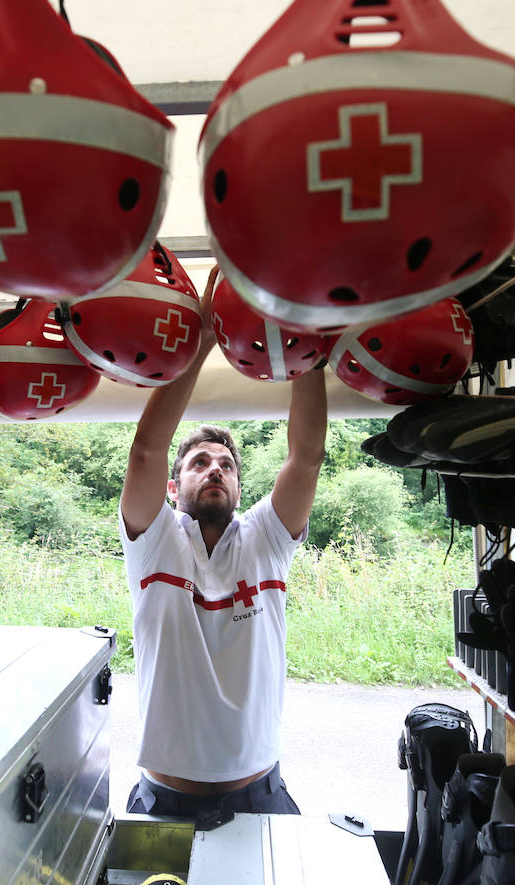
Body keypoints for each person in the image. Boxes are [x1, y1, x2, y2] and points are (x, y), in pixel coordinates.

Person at [119, 267, 329, 816]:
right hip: (164, 799)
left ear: (239, 485)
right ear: (174, 483)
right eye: (198, 463)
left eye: (226, 465)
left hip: (260, 794)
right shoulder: (153, 540)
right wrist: (205, 338)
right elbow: (145, 449)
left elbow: (305, 456)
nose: (214, 470)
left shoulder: (265, 538)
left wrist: (306, 340)